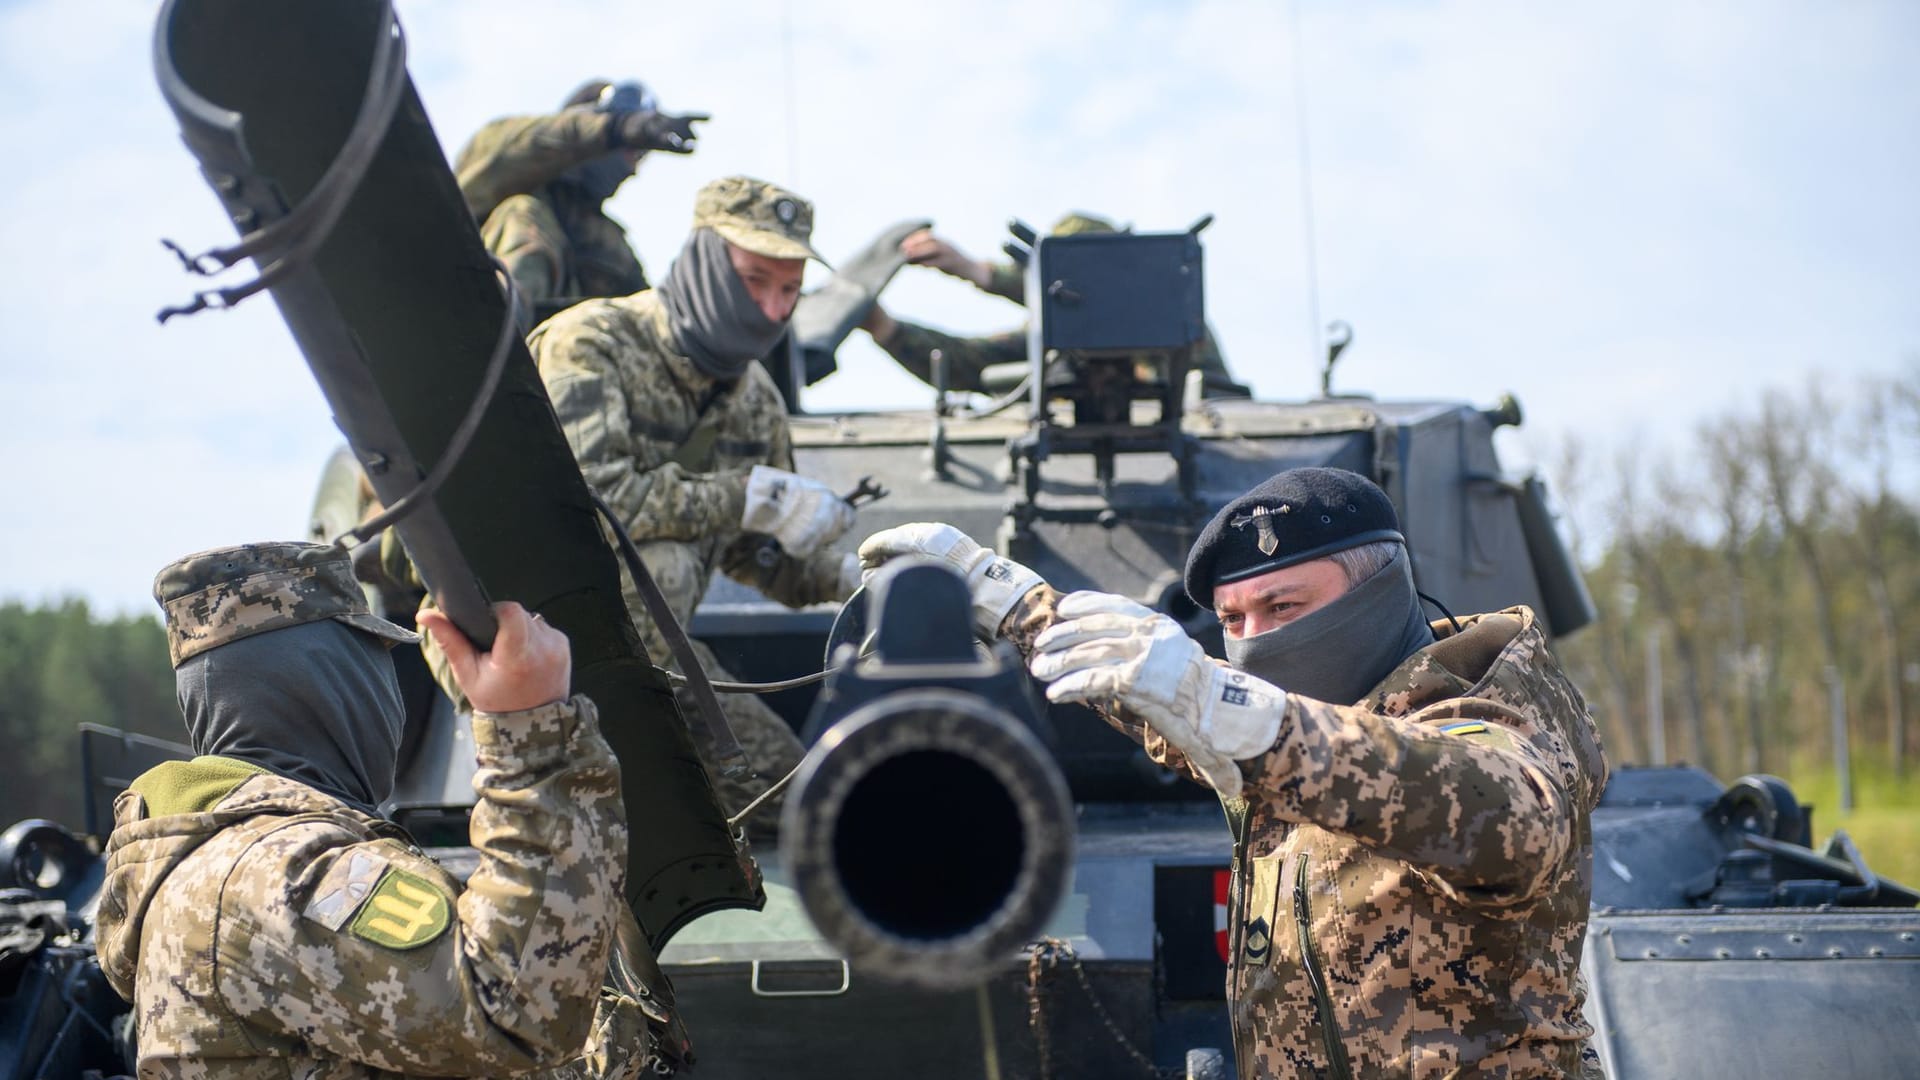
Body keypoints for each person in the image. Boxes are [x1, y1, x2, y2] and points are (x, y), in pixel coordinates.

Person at [858, 467, 1609, 1078]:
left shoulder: (1488, 708)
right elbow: (1179, 712)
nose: (1254, 643)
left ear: (1379, 593)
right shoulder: (1295, 729)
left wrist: (1245, 715)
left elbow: (1508, 819)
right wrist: (1018, 604)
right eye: (1233, 619)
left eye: (1284, 604)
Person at [94, 541, 684, 1077]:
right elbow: (515, 1013)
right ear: (325, 680)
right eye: (377, 657)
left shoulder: (225, 868)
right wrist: (533, 730)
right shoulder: (280, 873)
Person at [528, 175, 859, 826]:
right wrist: (749, 499)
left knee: (803, 801)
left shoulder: (756, 400)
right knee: (666, 563)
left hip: (658, 670)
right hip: (530, 652)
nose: (772, 310)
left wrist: (853, 576)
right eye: (754, 280)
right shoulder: (591, 341)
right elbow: (592, 501)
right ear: (707, 261)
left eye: (790, 290)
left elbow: (756, 557)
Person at [859, 213, 1244, 397]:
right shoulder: (1054, 343)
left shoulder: (1171, 320)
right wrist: (886, 329)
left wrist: (981, 272)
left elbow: (1104, 302)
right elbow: (967, 361)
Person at [455, 79, 708, 326]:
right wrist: (615, 128)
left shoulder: (607, 244)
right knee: (521, 212)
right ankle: (496, 327)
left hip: (553, 358)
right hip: (469, 316)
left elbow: (647, 321)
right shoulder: (500, 160)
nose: (632, 170)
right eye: (631, 151)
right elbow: (526, 144)